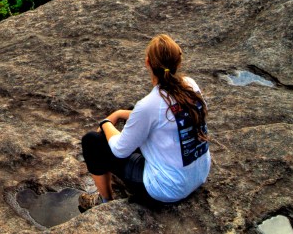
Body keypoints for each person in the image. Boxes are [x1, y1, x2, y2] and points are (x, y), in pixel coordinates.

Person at [78, 33, 211, 211]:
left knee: (92, 141)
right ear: (178, 62)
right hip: (198, 175)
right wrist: (121, 113)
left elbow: (119, 150)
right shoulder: (190, 85)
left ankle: (105, 202)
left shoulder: (148, 105)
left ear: (147, 62)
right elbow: (162, 114)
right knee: (134, 115)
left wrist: (105, 122)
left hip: (166, 190)